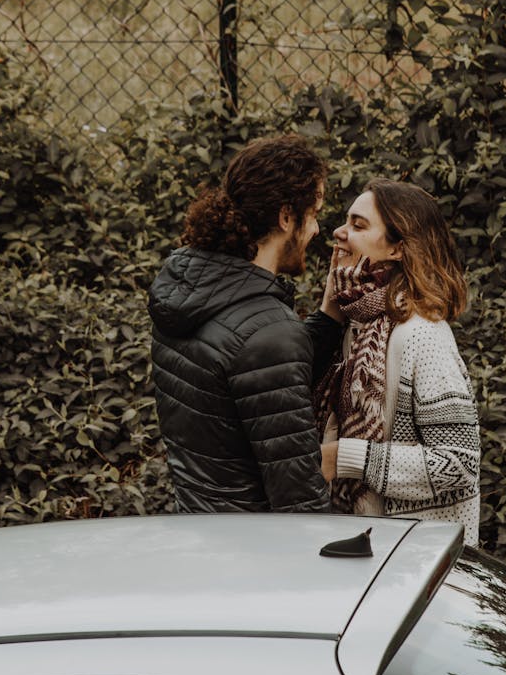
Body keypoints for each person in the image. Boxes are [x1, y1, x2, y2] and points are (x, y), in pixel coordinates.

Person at [149, 134, 341, 514]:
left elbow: (254, 385)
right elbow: (300, 501)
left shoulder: (188, 290)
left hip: (199, 525)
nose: (318, 230)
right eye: (314, 214)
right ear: (286, 216)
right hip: (253, 553)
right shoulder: (268, 333)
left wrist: (330, 316)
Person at [314, 178, 480, 545]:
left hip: (418, 562)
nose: (340, 232)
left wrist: (344, 457)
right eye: (346, 221)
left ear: (398, 249)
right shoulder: (359, 322)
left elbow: (459, 463)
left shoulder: (422, 335)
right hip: (367, 548)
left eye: (358, 225)